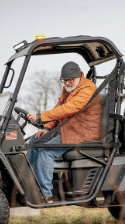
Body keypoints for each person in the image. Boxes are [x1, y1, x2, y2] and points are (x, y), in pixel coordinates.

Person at [24, 61, 101, 203]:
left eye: (70, 80)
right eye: (65, 80)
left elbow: (68, 109)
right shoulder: (69, 89)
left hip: (83, 133)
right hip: (70, 130)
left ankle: (45, 194)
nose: (67, 83)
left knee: (46, 151)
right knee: (34, 141)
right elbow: (59, 109)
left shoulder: (87, 90)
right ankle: (32, 187)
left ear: (79, 76)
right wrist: (46, 128)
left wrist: (41, 116)